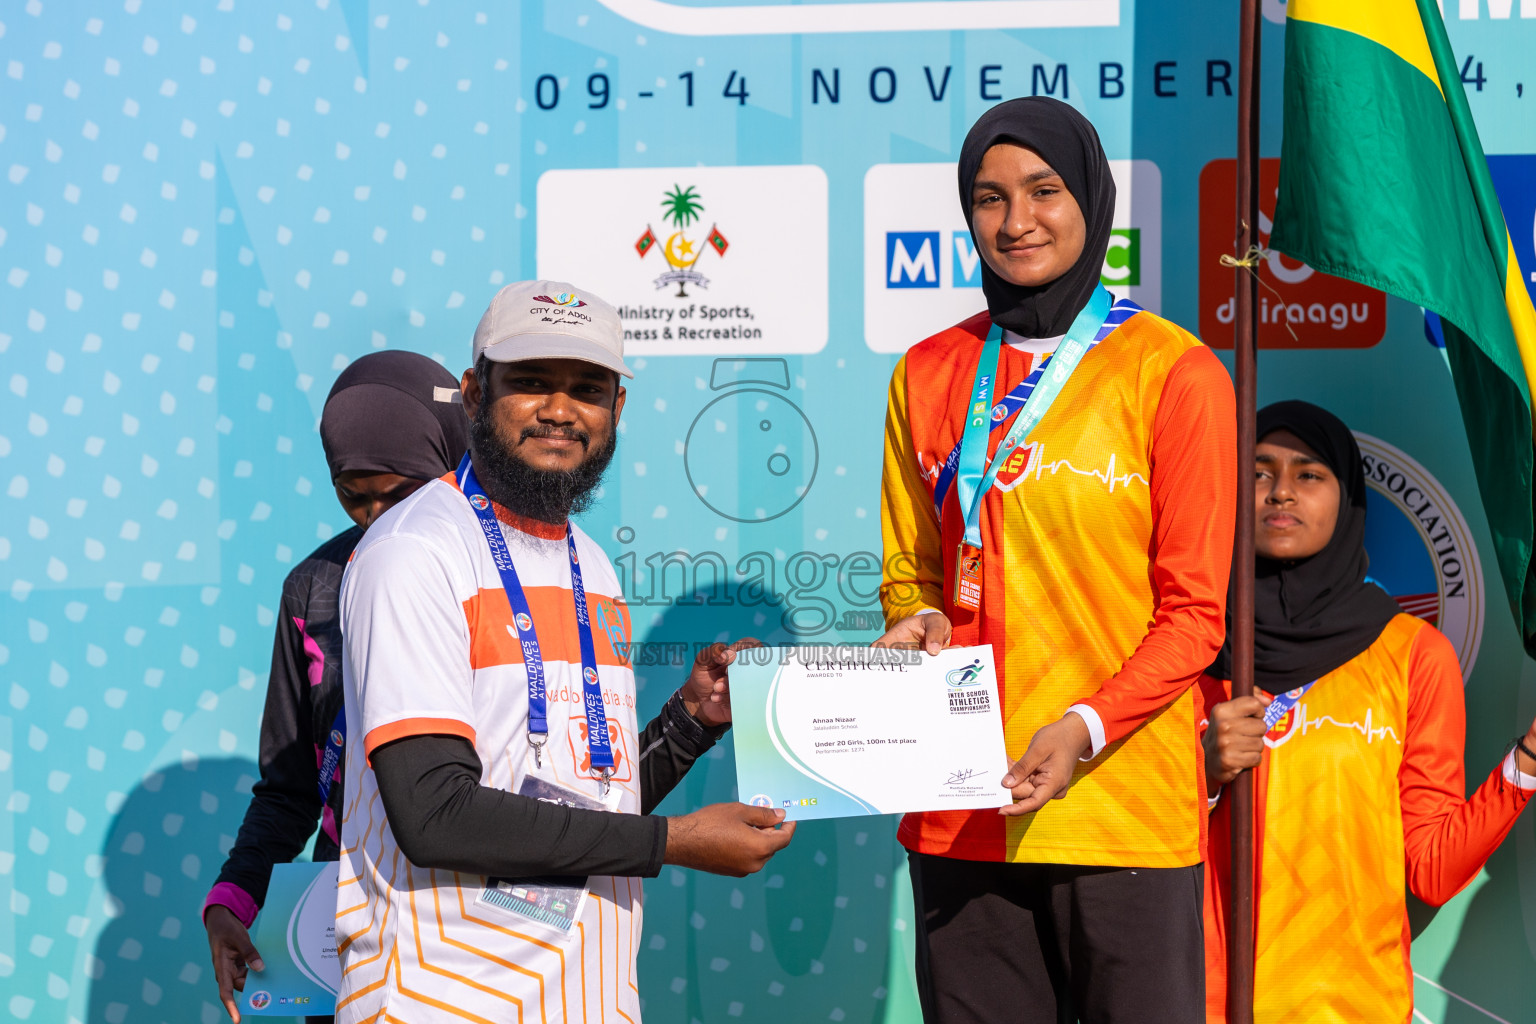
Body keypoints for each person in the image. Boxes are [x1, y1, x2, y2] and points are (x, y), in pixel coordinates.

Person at [333, 280, 795, 1024]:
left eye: (586, 388)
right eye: (530, 383)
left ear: (617, 408)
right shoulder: (415, 550)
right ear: (477, 393)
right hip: (443, 997)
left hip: (587, 996)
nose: (559, 410)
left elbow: (588, 799)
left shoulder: (591, 564)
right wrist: (673, 843)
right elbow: (434, 814)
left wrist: (688, 723)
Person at [876, 96, 1237, 1023]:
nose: (1016, 221)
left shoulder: (1174, 371)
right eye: (988, 199)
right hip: (961, 811)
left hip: (1123, 809)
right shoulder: (926, 370)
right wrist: (908, 619)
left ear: (1091, 201)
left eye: (1043, 190)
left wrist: (1082, 725)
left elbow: (1195, 615)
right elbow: (913, 571)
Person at [1201, 400, 1536, 1023]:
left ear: (1349, 498)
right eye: (1258, 472)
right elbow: (1128, 844)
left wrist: (1529, 762)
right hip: (1209, 1004)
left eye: (1309, 474)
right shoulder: (1192, 645)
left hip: (1354, 1005)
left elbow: (1431, 870)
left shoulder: (1413, 655)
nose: (1279, 493)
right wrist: (1205, 780)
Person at [202, 350, 472, 1023]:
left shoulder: (503, 578)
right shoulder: (314, 589)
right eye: (355, 493)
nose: (378, 517)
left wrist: (689, 726)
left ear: (451, 463)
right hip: (351, 931)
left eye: (402, 493)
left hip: (487, 925)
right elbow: (292, 786)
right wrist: (235, 899)